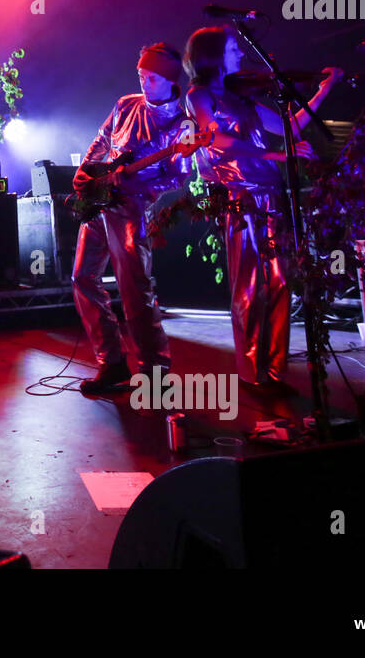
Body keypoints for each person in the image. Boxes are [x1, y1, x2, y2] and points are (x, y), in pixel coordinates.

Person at [182, 26, 341, 393]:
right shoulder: (200, 94)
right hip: (240, 195)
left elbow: (292, 126)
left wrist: (323, 90)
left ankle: (275, 370)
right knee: (250, 284)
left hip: (271, 194)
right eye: (234, 47)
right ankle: (252, 372)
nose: (241, 53)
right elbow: (214, 139)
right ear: (213, 55)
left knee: (281, 279)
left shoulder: (241, 96)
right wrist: (274, 154)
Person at [75, 43, 192, 398]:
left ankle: (155, 375)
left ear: (171, 81)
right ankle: (111, 362)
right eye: (141, 74)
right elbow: (103, 139)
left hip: (133, 209)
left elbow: (178, 178)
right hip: (100, 203)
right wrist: (85, 172)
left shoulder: (180, 124)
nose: (144, 81)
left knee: (134, 291)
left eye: (152, 77)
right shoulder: (127, 103)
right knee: (82, 277)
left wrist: (137, 182)